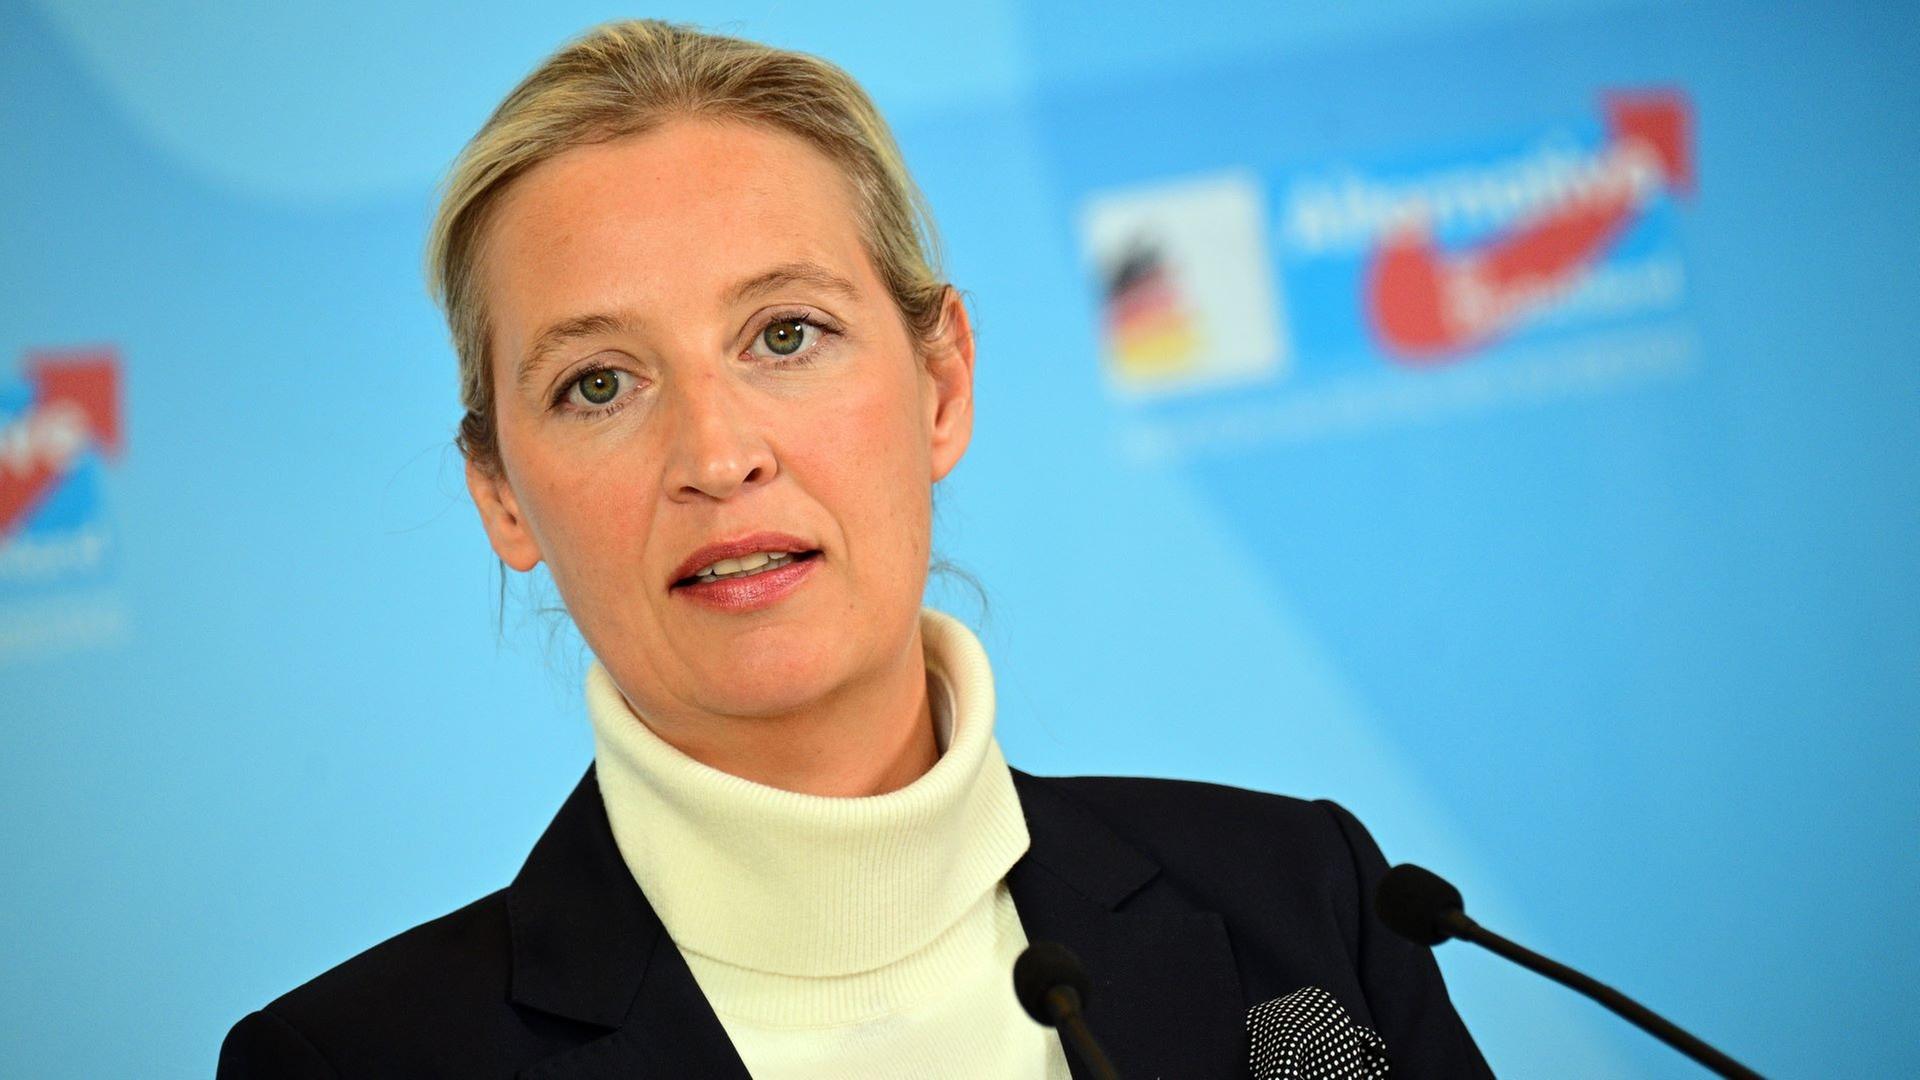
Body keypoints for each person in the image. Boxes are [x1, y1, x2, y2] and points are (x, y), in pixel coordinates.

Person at [217, 19, 1492, 1079]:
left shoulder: (1306, 909)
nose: (718, 455)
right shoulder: (354, 1063)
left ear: (943, 385)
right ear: (500, 496)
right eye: (599, 384)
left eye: (786, 335)